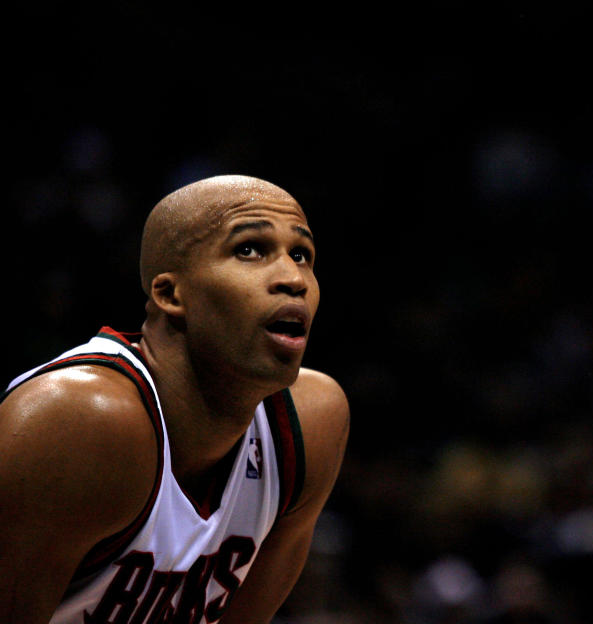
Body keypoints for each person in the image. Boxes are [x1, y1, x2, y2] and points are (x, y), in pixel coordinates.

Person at [0, 175, 350, 623]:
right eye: (249, 250)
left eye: (301, 254)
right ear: (169, 293)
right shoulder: (79, 420)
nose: (293, 278)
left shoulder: (310, 425)